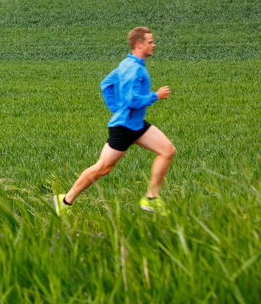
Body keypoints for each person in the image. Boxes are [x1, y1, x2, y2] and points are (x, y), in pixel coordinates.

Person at [55, 27, 176, 215]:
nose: (154, 45)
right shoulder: (133, 69)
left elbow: (106, 84)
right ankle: (65, 200)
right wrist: (155, 96)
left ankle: (151, 198)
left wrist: (116, 109)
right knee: (103, 168)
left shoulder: (127, 63)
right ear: (139, 44)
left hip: (135, 124)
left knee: (167, 150)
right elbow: (132, 100)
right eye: (150, 42)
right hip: (124, 127)